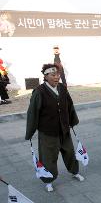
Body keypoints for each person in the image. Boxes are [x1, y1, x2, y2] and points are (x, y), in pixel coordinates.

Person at [25, 63, 85, 192]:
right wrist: (30, 132)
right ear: (45, 76)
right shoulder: (39, 92)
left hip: (64, 129)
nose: (56, 77)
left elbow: (70, 105)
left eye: (57, 74)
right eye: (53, 75)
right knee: (48, 157)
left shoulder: (63, 88)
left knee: (69, 152)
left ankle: (75, 172)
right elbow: (33, 113)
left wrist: (73, 120)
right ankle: (48, 181)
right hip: (48, 132)